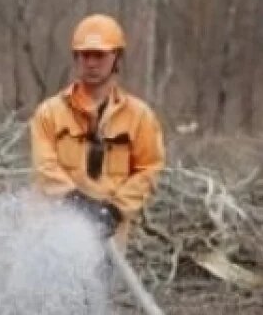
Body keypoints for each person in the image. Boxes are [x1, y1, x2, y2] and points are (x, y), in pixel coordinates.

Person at [29, 13, 166, 245]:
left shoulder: (140, 118)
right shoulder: (49, 113)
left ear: (116, 57)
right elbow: (45, 167)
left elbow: (149, 170)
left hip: (108, 237)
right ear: (76, 57)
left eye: (100, 55)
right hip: (50, 232)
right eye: (85, 55)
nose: (91, 63)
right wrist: (75, 202)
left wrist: (114, 211)